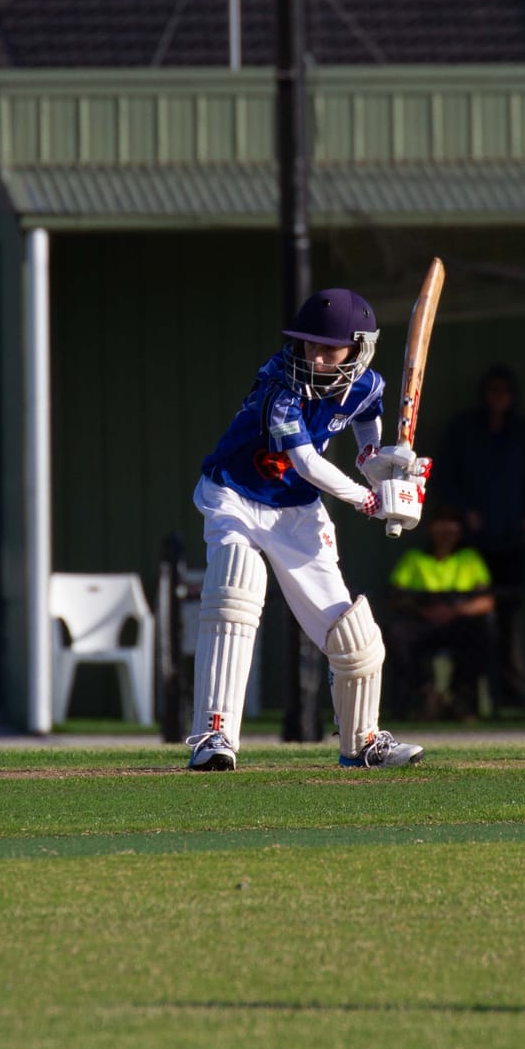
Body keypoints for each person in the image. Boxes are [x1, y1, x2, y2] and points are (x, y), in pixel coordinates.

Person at [187, 287, 429, 771]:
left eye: (328, 347)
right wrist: (369, 501)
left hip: (296, 512)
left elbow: (364, 441)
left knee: (353, 634)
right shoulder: (280, 388)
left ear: (358, 349)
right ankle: (214, 736)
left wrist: (387, 467)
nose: (314, 356)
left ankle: (362, 743)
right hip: (234, 493)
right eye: (308, 344)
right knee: (236, 583)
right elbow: (307, 462)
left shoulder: (368, 386)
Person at [434, 365, 525, 709]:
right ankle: (465, 696)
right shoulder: (465, 430)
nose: (499, 398)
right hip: (475, 542)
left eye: (505, 392)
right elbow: (446, 476)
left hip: (511, 539)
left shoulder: (521, 433)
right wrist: (466, 512)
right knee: (472, 619)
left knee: (509, 618)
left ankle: (510, 693)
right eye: (493, 391)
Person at [386, 505, 496, 720]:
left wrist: (455, 611)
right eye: (441, 526)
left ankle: (460, 698)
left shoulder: (469, 558)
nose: (446, 533)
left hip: (458, 620)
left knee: (481, 635)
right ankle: (427, 692)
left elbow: (486, 601)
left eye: (452, 527)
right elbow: (395, 596)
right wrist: (423, 610)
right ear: (431, 529)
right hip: (423, 619)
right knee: (397, 635)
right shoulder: (414, 558)